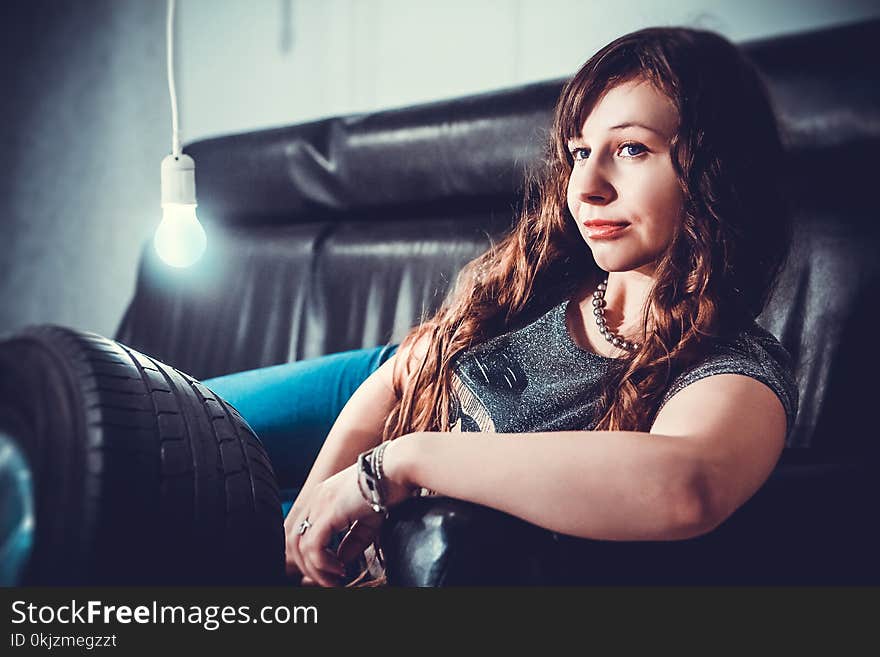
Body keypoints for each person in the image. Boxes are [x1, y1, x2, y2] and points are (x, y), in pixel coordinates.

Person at [206, 26, 799, 587]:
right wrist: (314, 507)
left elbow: (685, 487)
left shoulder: (731, 367)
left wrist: (400, 465)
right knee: (149, 426)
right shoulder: (547, 273)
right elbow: (408, 369)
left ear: (716, 172)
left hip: (394, 483)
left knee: (178, 523)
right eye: (579, 151)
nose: (587, 185)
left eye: (632, 149)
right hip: (385, 387)